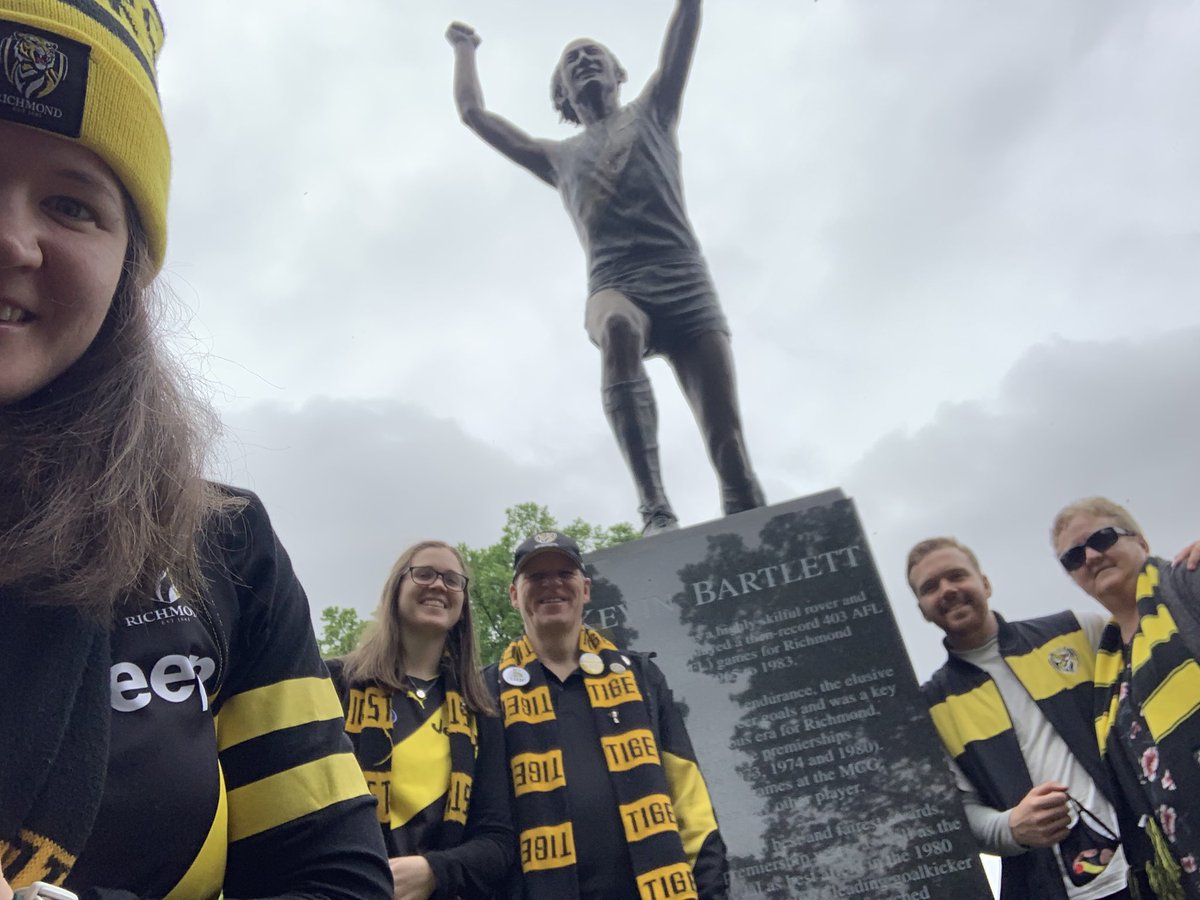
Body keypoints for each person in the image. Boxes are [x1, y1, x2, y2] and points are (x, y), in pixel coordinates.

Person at [0, 3, 391, 898]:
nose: (12, 239)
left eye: (71, 204)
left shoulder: (224, 543)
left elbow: (333, 879)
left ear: (127, 271)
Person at [445, 1, 765, 536]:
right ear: (563, 96)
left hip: (685, 284)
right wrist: (464, 49)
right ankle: (654, 508)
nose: (583, 60)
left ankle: (753, 525)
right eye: (571, 61)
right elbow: (474, 114)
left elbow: (683, 34)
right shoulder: (556, 156)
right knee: (616, 325)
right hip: (616, 285)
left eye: (593, 53)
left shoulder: (655, 109)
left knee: (729, 447)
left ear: (619, 74)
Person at [485, 531, 727, 899]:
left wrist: (711, 889)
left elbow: (688, 796)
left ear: (585, 589)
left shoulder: (640, 676)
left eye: (564, 574)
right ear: (514, 595)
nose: (552, 584)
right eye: (536, 576)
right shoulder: (485, 690)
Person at [908, 537, 1134, 900]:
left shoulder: (1078, 630)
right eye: (930, 587)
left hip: (1152, 865)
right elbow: (957, 815)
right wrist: (1011, 828)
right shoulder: (929, 708)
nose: (947, 589)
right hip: (1046, 889)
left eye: (956, 575)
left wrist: (1177, 576)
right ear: (921, 609)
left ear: (985, 583)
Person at [327, 541, 515, 900]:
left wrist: (434, 872)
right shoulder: (334, 684)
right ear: (396, 588)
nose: (438, 585)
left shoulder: (481, 710)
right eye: (424, 574)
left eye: (452, 580)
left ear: (463, 603)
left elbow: (498, 840)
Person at [1051, 498, 1200, 899]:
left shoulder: (1187, 584)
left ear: (1141, 541)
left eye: (1102, 538)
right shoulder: (1109, 664)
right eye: (1074, 556)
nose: (1091, 556)